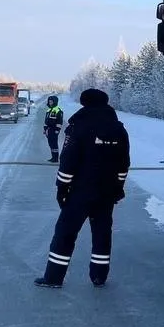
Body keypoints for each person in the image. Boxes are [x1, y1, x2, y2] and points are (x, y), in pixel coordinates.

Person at [35, 88, 130, 288]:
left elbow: (68, 161)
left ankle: (53, 277)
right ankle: (99, 276)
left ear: (85, 103)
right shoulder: (119, 129)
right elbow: (124, 164)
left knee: (65, 233)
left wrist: (62, 187)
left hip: (80, 192)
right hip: (106, 192)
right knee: (103, 233)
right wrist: (118, 187)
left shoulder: (79, 126)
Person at [42, 95, 64, 163]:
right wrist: (45, 129)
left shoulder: (58, 110)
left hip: (54, 130)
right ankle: (53, 157)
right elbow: (46, 121)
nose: (50, 103)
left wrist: (57, 130)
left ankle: (56, 158)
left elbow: (60, 121)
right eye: (49, 101)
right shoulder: (48, 110)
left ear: (55, 102)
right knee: (51, 144)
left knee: (54, 144)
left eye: (51, 101)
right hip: (49, 130)